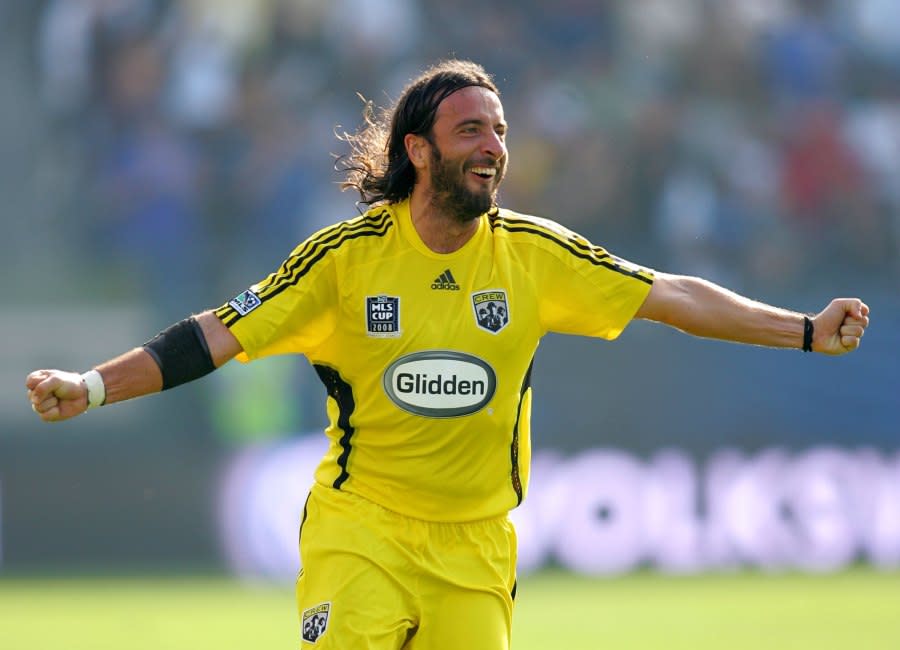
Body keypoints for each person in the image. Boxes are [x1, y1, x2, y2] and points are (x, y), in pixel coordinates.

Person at [26, 60, 869, 649]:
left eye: (499, 131)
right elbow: (212, 334)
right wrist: (93, 386)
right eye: (470, 130)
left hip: (476, 545)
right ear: (418, 150)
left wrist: (800, 327)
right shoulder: (345, 261)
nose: (493, 146)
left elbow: (675, 296)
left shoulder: (537, 255)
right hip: (364, 532)